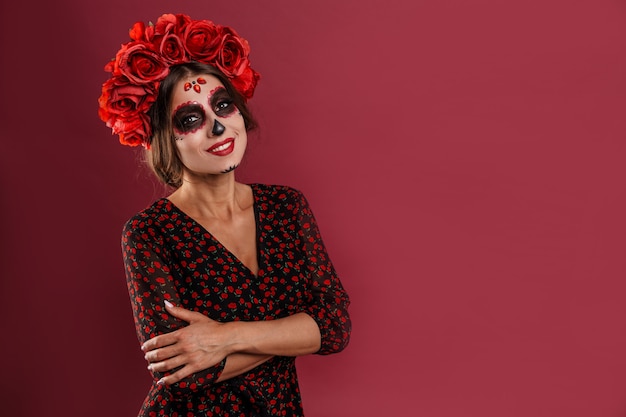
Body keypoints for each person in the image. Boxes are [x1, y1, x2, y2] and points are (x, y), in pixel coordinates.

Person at [98, 13, 351, 417]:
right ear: (164, 139)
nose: (218, 127)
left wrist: (224, 338)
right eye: (191, 119)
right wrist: (296, 330)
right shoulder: (149, 233)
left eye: (223, 105)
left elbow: (335, 325)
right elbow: (182, 374)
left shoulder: (285, 208)